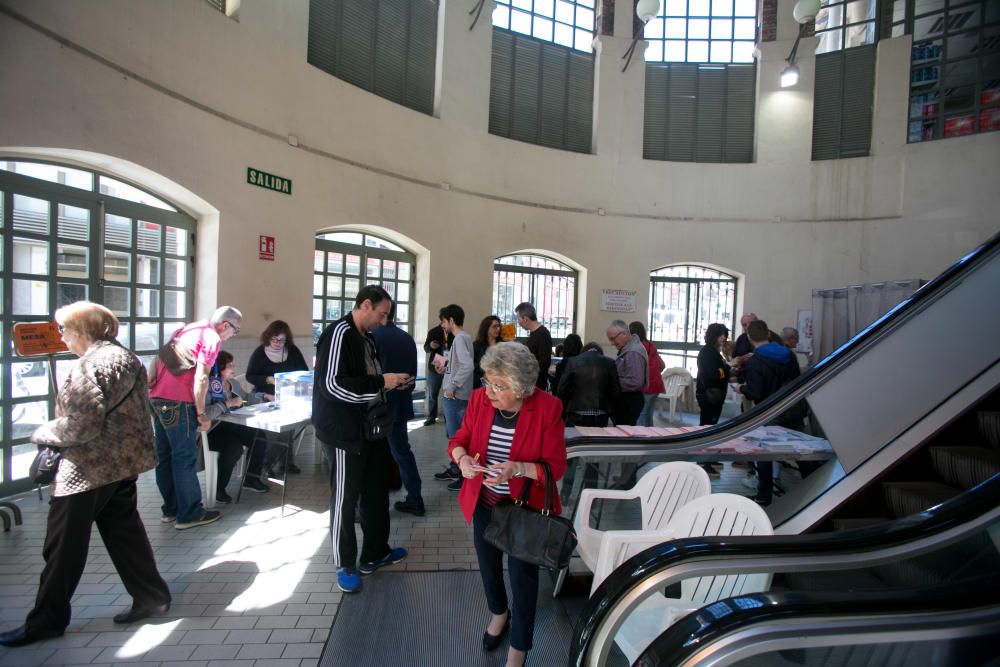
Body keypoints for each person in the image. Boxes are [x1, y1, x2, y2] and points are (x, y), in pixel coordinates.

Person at [0, 302, 171, 647]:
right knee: (125, 535)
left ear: (81, 330)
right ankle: (152, 596)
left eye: (64, 329)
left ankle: (47, 620)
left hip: (87, 469)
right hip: (123, 463)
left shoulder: (88, 365)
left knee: (62, 547)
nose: (61, 338)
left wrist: (42, 432)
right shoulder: (125, 357)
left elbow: (81, 426)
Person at [447, 343, 566, 667]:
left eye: (498, 385)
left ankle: (519, 647)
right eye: (487, 381)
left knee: (523, 579)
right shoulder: (478, 400)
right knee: (488, 569)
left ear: (521, 387)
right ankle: (499, 613)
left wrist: (517, 467)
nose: (489, 391)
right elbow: (459, 441)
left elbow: (556, 466)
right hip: (485, 502)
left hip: (523, 510)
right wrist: (463, 461)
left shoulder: (547, 408)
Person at [312, 285, 411, 594]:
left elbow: (367, 382)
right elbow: (332, 386)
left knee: (375, 491)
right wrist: (382, 381)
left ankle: (375, 552)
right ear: (365, 305)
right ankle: (345, 563)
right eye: (381, 314)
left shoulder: (367, 339)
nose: (383, 322)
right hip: (344, 433)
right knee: (344, 498)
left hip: (370, 430)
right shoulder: (339, 334)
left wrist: (390, 385)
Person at [150, 306, 242, 529]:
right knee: (184, 457)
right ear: (225, 325)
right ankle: (190, 513)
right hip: (179, 402)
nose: (233, 335)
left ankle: (170, 510)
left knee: (165, 456)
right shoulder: (211, 337)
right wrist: (201, 413)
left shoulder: (187, 329)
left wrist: (151, 386)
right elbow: (202, 379)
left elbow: (157, 360)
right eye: (235, 330)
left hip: (156, 398)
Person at [738, 319, 803, 506]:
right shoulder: (789, 356)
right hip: (792, 409)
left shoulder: (755, 362)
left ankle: (764, 495)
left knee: (764, 454)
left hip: (769, 413)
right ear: (768, 334)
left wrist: (742, 389)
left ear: (749, 338)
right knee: (801, 451)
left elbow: (756, 393)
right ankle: (815, 486)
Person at [372, 304, 424, 517]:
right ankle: (415, 498)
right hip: (400, 405)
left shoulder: (372, 337)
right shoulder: (406, 338)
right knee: (402, 452)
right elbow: (411, 378)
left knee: (372, 457)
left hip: (376, 408)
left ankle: (373, 505)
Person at [204, 350, 270, 503]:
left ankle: (251, 479)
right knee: (233, 448)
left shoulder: (232, 383)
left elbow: (246, 399)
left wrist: (263, 397)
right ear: (218, 368)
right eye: (229, 365)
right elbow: (205, 414)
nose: (234, 368)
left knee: (258, 438)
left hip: (232, 425)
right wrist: (227, 403)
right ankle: (218, 488)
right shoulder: (207, 386)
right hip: (212, 431)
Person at [245, 320, 309, 475]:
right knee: (273, 431)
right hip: (264, 396)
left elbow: (304, 372)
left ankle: (285, 462)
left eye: (282, 340)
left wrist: (293, 380)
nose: (278, 343)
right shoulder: (260, 352)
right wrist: (268, 379)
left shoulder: (292, 351)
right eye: (274, 340)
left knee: (288, 428)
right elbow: (250, 376)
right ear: (268, 338)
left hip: (287, 397)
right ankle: (266, 463)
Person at [438, 304, 475, 492]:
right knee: (454, 436)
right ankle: (455, 469)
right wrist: (446, 369)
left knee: (456, 438)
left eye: (444, 322)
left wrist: (452, 385)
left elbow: (468, 365)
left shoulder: (460, 338)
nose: (443, 326)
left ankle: (462, 474)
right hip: (458, 396)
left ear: (451, 320)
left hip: (456, 397)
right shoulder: (464, 338)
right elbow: (461, 364)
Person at [557, 342, 621, 427]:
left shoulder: (573, 361)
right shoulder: (610, 362)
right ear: (600, 352)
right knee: (597, 439)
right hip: (601, 413)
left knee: (576, 439)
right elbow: (616, 391)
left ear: (583, 351)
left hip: (577, 411)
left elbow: (561, 389)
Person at [606, 319, 647, 426]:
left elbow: (636, 382)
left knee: (624, 434)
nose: (612, 343)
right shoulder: (629, 348)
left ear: (624, 334)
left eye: (613, 339)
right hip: (627, 400)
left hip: (629, 401)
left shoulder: (633, 352)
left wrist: (612, 381)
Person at [630, 322, 665, 426]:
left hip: (646, 387)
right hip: (657, 385)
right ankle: (651, 436)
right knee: (648, 414)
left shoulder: (635, 347)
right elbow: (662, 365)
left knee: (641, 413)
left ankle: (641, 438)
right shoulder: (651, 346)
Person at [696, 323, 731, 427]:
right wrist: (727, 368)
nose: (724, 337)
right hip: (709, 394)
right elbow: (714, 373)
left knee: (711, 423)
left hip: (714, 394)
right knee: (707, 424)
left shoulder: (714, 352)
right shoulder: (708, 352)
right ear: (713, 336)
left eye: (724, 334)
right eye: (721, 335)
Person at [514, 302, 552, 390]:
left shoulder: (542, 334)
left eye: (518, 319)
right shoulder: (533, 333)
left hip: (536, 384)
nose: (518, 323)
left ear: (526, 319)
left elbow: (544, 362)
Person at [422, 319, 449, 425]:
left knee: (448, 393)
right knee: (433, 394)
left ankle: (448, 417)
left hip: (450, 365)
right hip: (436, 365)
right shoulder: (433, 331)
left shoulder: (453, 332)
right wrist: (431, 346)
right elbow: (426, 348)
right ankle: (431, 417)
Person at [473, 314, 502, 389]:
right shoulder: (477, 345)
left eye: (499, 326)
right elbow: (472, 364)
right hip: (482, 381)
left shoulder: (503, 345)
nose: (498, 329)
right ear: (486, 328)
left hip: (500, 381)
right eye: (494, 326)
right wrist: (485, 369)